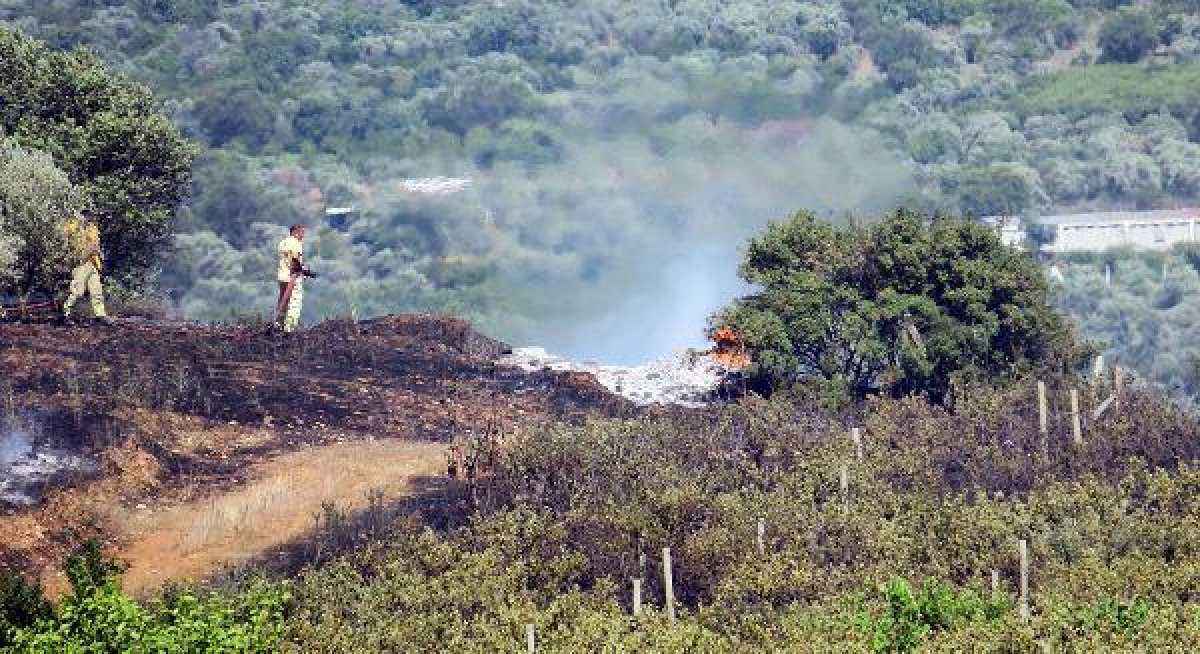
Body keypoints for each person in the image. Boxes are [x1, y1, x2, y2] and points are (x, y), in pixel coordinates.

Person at [61, 208, 113, 325]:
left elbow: (96, 245)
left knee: (97, 291)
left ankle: (100, 315)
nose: (91, 217)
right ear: (83, 215)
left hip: (93, 263)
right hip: (80, 263)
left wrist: (100, 256)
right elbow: (65, 234)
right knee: (78, 292)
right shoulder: (74, 226)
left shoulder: (93, 228)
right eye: (88, 215)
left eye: (91, 215)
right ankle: (66, 313)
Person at [274, 224, 316, 332]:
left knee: (283, 301)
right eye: (302, 233)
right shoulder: (296, 243)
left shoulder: (282, 243)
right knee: (295, 303)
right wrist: (305, 271)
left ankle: (278, 325)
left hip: (282, 276)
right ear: (296, 232)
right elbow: (295, 261)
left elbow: (286, 260)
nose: (303, 236)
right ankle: (289, 329)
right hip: (293, 277)